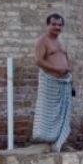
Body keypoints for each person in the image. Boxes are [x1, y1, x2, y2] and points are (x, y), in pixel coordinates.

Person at [32, 13, 73, 152]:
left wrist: (69, 73)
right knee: (48, 112)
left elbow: (66, 58)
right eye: (54, 24)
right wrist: (56, 68)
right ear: (48, 25)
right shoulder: (42, 41)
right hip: (50, 81)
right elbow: (39, 60)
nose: (57, 27)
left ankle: (60, 142)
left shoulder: (62, 41)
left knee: (63, 113)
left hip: (65, 82)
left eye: (60, 25)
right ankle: (46, 141)